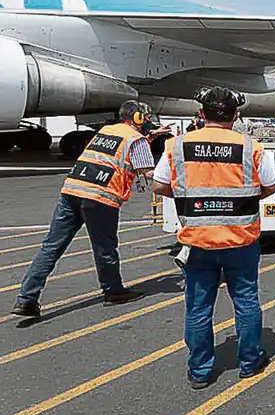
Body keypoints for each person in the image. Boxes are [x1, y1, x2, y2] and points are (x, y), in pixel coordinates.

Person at [151, 86, 275, 389]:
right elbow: (271, 186)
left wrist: (187, 195)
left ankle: (200, 371)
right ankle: (249, 362)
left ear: (201, 114)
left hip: (197, 241)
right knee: (246, 301)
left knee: (198, 306)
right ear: (236, 116)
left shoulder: (176, 145)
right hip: (241, 240)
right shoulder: (252, 147)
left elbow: (157, 185)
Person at [9, 101, 171, 318]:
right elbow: (148, 172)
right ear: (139, 118)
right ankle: (113, 290)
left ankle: (26, 299)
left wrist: (149, 138)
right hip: (100, 197)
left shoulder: (107, 131)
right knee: (105, 247)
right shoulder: (136, 139)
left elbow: (121, 152)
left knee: (51, 247)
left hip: (71, 192)